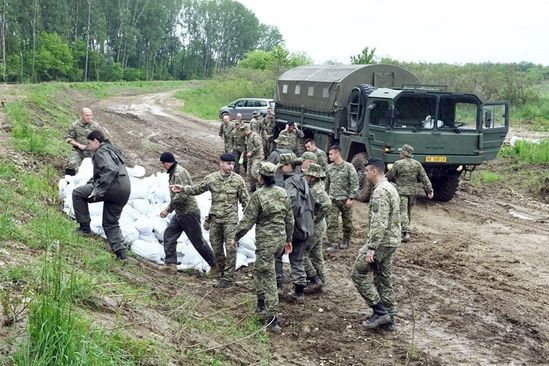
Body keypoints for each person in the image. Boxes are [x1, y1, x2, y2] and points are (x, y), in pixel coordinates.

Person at [231, 162, 294, 332]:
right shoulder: (283, 193)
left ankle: (272, 318)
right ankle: (260, 304)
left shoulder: (258, 196)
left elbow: (247, 220)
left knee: (268, 276)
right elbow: (290, 219)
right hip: (279, 240)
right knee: (260, 271)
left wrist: (236, 236)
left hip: (266, 242)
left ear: (261, 177)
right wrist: (288, 239)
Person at [172, 153, 249, 288]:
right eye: (228, 164)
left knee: (231, 248)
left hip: (230, 220)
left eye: (232, 164)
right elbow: (197, 189)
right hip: (215, 219)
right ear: (221, 163)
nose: (230, 167)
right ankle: (222, 271)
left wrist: (248, 218)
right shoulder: (211, 178)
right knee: (216, 247)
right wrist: (182, 188)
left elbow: (245, 200)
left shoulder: (238, 180)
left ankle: (228, 277)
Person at [352, 158, 401, 330]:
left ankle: (380, 312)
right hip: (392, 241)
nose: (364, 174)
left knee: (358, 273)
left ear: (374, 171)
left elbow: (379, 222)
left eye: (366, 171)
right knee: (383, 279)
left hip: (381, 242)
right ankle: (390, 320)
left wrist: (372, 247)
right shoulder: (391, 187)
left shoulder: (380, 192)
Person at [72, 129, 130, 260]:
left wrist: (98, 191)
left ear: (96, 141)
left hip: (112, 187)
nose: (90, 146)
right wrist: (91, 183)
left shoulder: (102, 151)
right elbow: (102, 173)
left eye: (90, 143)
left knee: (77, 193)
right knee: (111, 222)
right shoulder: (112, 150)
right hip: (123, 190)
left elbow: (110, 170)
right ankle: (121, 254)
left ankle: (84, 228)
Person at [158, 152, 216, 272]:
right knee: (169, 235)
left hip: (188, 213)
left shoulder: (179, 173)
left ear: (167, 163)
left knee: (198, 242)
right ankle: (171, 264)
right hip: (180, 213)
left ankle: (215, 265)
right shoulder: (174, 172)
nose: (163, 166)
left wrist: (167, 210)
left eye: (163, 164)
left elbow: (181, 196)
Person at [275, 153, 315, 303]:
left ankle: (278, 285)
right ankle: (299, 291)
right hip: (307, 225)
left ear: (288, 166)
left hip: (295, 226)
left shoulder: (290, 182)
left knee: (278, 255)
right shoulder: (303, 179)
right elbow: (312, 201)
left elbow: (291, 203)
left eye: (282, 167)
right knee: (297, 258)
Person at [386, 144, 434, 242]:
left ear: (404, 153)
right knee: (408, 211)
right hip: (412, 192)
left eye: (401, 152)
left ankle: (405, 232)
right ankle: (406, 229)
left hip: (401, 192)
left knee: (402, 212)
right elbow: (424, 178)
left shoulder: (398, 164)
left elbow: (389, 176)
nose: (400, 154)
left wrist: (381, 183)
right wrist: (429, 190)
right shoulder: (417, 164)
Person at [302, 163, 331, 294]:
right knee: (316, 253)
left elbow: (327, 204)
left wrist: (316, 218)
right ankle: (321, 278)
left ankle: (314, 280)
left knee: (302, 254)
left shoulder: (315, 189)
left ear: (312, 176)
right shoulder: (316, 185)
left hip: (316, 225)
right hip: (319, 225)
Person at [325, 145, 359, 251]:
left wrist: (351, 198)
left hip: (345, 200)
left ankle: (346, 239)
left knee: (347, 222)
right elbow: (327, 184)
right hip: (333, 199)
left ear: (337, 154)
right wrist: (326, 197)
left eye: (331, 154)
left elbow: (354, 183)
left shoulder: (349, 167)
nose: (329, 156)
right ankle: (333, 243)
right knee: (332, 222)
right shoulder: (329, 168)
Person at [65, 107, 102, 175]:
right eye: (87, 115)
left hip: (91, 151)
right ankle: (68, 182)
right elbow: (69, 138)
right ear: (82, 115)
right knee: (71, 164)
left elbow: (101, 140)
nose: (89, 117)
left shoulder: (95, 126)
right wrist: (78, 145)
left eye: (90, 115)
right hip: (78, 151)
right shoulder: (75, 125)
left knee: (96, 167)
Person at [241, 123, 264, 192]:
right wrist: (243, 154)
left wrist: (251, 152)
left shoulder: (255, 136)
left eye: (243, 132)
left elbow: (258, 146)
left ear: (246, 130)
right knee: (249, 174)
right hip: (250, 158)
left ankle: (263, 184)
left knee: (254, 172)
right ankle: (253, 189)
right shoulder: (247, 137)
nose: (243, 134)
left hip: (257, 157)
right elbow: (246, 147)